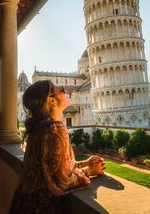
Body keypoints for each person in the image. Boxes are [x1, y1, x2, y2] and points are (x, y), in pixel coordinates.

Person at [9, 80, 105, 214]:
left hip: (22, 202)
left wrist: (84, 163)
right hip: (40, 206)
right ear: (51, 100)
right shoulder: (54, 129)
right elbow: (61, 181)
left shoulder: (39, 128)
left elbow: (54, 165)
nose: (65, 91)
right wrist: (89, 170)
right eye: (60, 89)